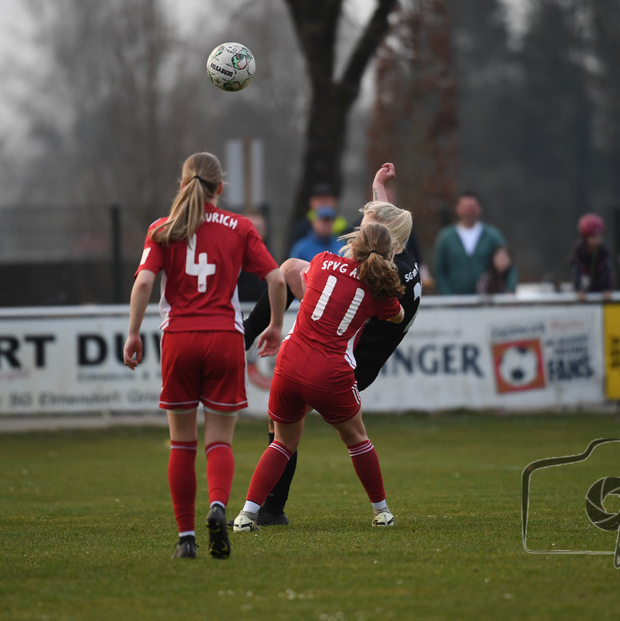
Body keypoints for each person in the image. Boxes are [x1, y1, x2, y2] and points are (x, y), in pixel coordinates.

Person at [122, 152, 286, 560]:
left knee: (182, 444)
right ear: (220, 189)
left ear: (182, 185)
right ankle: (217, 506)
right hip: (224, 340)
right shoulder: (240, 227)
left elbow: (143, 283)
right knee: (219, 441)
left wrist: (132, 333)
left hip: (178, 339)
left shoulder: (162, 228)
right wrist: (276, 325)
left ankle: (186, 539)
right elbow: (277, 278)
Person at [238, 163, 421, 526]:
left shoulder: (377, 275)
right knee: (307, 434)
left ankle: (264, 509)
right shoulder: (396, 258)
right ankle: (376, 510)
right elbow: (384, 225)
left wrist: (318, 294)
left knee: (283, 434)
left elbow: (379, 304)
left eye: (365, 226)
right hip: (341, 352)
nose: (357, 232)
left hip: (350, 360)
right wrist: (377, 185)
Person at [433, 192, 515, 295]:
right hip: (455, 303)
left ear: (479, 209)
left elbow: (509, 264)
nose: (468, 211)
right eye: (465, 207)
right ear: (457, 209)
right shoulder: (446, 237)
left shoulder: (492, 235)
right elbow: (439, 271)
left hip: (487, 302)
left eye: (472, 207)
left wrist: (509, 290)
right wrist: (447, 296)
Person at [286, 183, 351, 257]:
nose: (326, 224)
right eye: (323, 220)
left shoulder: (342, 246)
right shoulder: (301, 244)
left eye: (329, 220)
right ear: (314, 222)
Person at [569, 213, 613, 298]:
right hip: (584, 290)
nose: (596, 240)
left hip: (600, 290)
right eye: (593, 237)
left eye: (599, 237)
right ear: (585, 237)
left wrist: (608, 289)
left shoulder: (603, 251)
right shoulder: (579, 251)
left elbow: (607, 271)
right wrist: (578, 290)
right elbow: (577, 272)